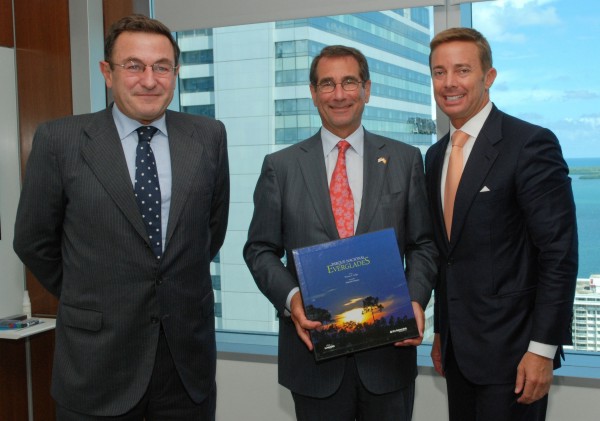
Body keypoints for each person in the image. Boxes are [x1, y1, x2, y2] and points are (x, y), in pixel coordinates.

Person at [13, 14, 229, 420]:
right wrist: (89, 292)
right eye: (134, 66)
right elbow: (33, 240)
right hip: (97, 362)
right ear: (107, 72)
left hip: (185, 363)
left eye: (161, 67)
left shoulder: (208, 136)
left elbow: (209, 233)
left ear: (175, 73)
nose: (149, 80)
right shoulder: (60, 140)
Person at [243, 45, 437, 421]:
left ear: (367, 89)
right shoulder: (280, 167)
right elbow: (259, 249)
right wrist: (293, 300)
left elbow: (423, 244)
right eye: (327, 84)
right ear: (313, 93)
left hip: (388, 354)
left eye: (349, 82)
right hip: (313, 358)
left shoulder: (405, 159)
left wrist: (415, 300)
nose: (339, 94)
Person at [425, 27, 578, 421]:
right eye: (440, 72)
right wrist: (442, 331)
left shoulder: (529, 144)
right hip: (458, 354)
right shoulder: (435, 156)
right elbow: (448, 257)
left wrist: (542, 349)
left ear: (488, 77)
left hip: (515, 356)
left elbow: (558, 255)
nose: (449, 83)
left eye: (462, 70)